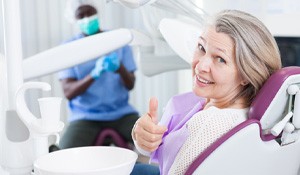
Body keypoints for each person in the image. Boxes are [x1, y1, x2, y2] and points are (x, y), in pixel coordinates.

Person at [131, 9, 282, 174]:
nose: (200, 65)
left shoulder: (211, 123)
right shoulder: (214, 103)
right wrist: (143, 137)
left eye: (220, 59)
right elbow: (160, 147)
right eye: (201, 47)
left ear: (246, 74)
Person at [58, 4, 139, 149]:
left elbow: (130, 84)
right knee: (63, 153)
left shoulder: (118, 41)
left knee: (156, 143)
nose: (87, 19)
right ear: (75, 20)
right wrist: (93, 75)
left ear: (98, 14)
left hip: (121, 114)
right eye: (81, 16)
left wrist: (120, 68)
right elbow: (68, 92)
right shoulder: (68, 48)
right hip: (85, 117)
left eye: (90, 14)